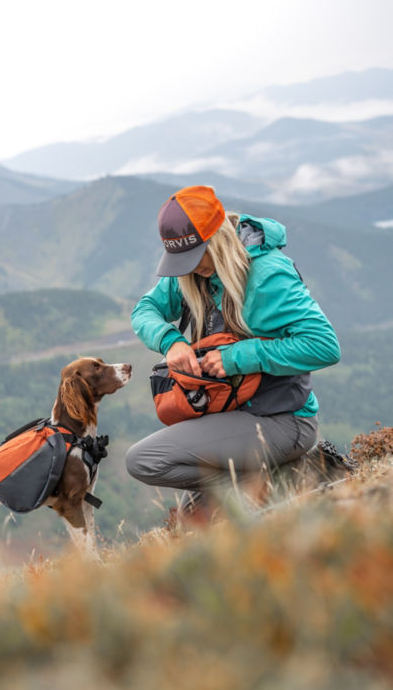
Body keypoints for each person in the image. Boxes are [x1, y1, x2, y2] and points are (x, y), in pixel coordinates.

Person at [125, 185, 341, 520]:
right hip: (233, 415)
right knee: (192, 523)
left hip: (282, 419)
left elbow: (324, 346)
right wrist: (171, 340)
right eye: (184, 261)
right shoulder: (191, 276)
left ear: (219, 238)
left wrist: (236, 357)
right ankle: (258, 487)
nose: (193, 268)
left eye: (198, 257)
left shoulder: (267, 275)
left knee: (144, 460)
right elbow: (145, 309)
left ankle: (274, 484)